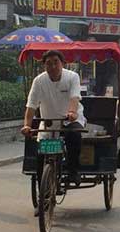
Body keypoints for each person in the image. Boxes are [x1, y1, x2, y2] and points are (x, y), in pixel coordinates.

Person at [21, 50, 86, 187]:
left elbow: (74, 97)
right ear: (44, 66)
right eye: (49, 63)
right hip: (48, 123)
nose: (53, 66)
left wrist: (72, 113)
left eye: (56, 62)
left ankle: (73, 170)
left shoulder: (72, 77)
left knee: (74, 136)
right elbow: (31, 105)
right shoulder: (39, 81)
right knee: (40, 154)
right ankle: (42, 192)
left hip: (70, 120)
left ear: (62, 63)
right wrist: (27, 125)